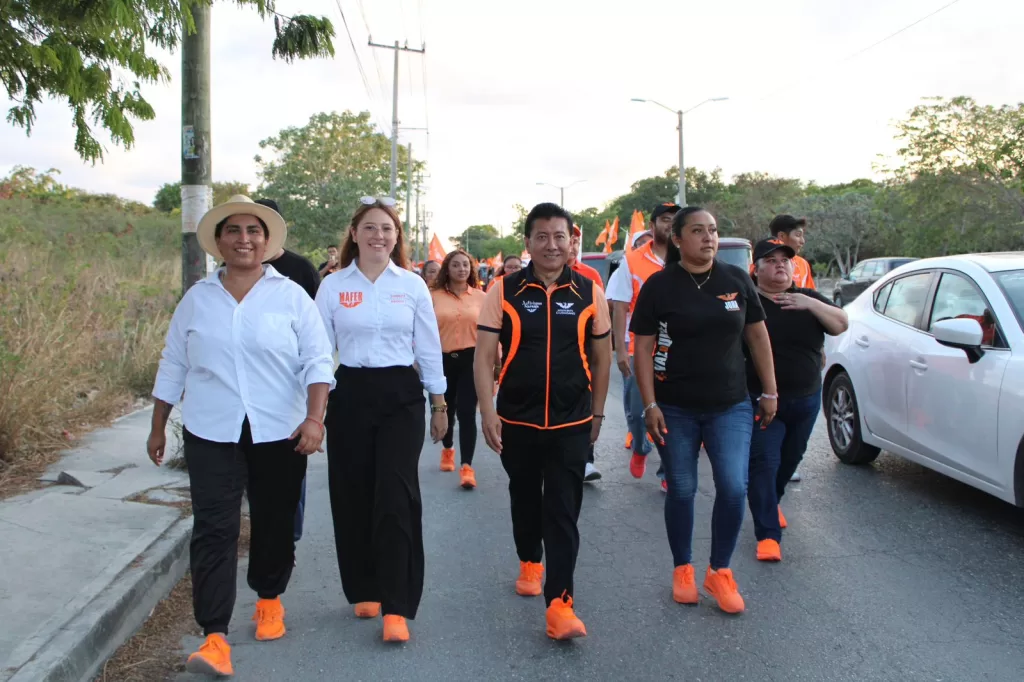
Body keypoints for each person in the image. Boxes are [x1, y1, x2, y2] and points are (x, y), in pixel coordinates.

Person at [147, 195, 334, 676]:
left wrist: (315, 419)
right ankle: (214, 635)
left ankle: (269, 597)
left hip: (280, 429)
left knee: (273, 520)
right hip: (211, 430)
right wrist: (156, 426)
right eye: (234, 231)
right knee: (214, 527)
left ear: (266, 241)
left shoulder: (291, 295)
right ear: (219, 241)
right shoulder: (197, 299)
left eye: (254, 231)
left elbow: (317, 361)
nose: (244, 239)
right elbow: (174, 361)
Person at [474, 202, 611, 640]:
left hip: (572, 421)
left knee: (564, 510)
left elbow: (602, 356)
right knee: (525, 497)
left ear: (572, 240)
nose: (552, 245)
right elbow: (482, 357)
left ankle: (560, 603)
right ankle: (529, 559)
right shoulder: (505, 289)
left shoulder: (589, 291)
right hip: (517, 419)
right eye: (542, 237)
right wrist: (487, 410)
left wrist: (598, 411)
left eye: (560, 237)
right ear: (528, 242)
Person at [631, 206, 778, 615]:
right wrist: (650, 404)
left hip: (730, 404)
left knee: (733, 486)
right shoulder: (660, 287)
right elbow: (643, 347)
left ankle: (720, 571)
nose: (708, 238)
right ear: (678, 239)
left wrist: (770, 391)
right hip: (674, 407)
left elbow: (757, 337)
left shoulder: (735, 281)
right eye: (698, 231)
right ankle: (683, 569)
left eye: (713, 230)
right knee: (681, 488)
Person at [315, 196, 448, 644]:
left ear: (397, 237)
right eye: (370, 228)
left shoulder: (411, 286)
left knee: (395, 495)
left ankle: (397, 605)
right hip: (349, 393)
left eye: (387, 229)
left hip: (401, 398)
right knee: (351, 493)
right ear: (354, 234)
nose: (379, 236)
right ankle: (364, 588)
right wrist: (315, 411)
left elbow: (428, 347)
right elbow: (317, 353)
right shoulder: (332, 287)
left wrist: (439, 402)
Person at [745, 238, 848, 561]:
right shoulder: (748, 303)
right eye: (771, 260)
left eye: (786, 260)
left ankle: (771, 501)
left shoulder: (808, 299)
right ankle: (767, 534)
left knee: (790, 460)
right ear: (756, 268)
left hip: (805, 399)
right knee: (765, 462)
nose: (780, 265)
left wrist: (811, 304)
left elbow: (841, 324)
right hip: (760, 400)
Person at [252, 198, 320, 562]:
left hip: (290, 387)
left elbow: (316, 333)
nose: (249, 239)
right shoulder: (230, 269)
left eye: (259, 228)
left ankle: (288, 536)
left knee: (289, 467)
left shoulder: (300, 269)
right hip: (244, 392)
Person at [607, 203, 681, 490]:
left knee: (675, 413)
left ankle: (667, 471)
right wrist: (621, 348)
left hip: (679, 351)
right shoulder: (633, 261)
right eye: (665, 220)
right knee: (639, 413)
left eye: (676, 220)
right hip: (641, 350)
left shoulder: (688, 257)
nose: (671, 225)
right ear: (653, 226)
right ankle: (640, 447)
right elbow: (621, 306)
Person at [431, 249, 487, 488]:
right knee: (446, 409)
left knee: (466, 412)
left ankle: (467, 467)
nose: (461, 269)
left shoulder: (481, 297)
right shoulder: (432, 296)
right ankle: (448, 449)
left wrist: (495, 364)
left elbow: (490, 334)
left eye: (465, 265)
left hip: (471, 360)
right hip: (441, 360)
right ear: (447, 269)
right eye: (456, 265)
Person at [766, 214, 816, 482]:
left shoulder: (804, 266)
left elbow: (812, 303)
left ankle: (782, 472)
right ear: (782, 237)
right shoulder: (762, 260)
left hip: (800, 353)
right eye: (797, 235)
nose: (802, 240)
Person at [605, 230, 653, 453]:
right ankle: (638, 440)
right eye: (642, 243)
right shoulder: (626, 268)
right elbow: (613, 304)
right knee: (635, 404)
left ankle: (667, 471)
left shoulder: (673, 264)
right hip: (632, 342)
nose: (648, 246)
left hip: (667, 345)